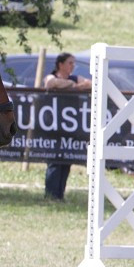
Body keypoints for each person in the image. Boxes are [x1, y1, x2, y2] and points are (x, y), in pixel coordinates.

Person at [42, 52, 90, 201]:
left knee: (66, 162)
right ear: (60, 64)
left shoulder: (74, 78)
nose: (72, 66)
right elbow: (51, 83)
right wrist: (73, 86)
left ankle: (60, 195)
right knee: (55, 162)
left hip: (70, 126)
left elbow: (90, 84)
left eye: (73, 63)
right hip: (53, 126)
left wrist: (73, 85)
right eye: (70, 63)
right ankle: (51, 195)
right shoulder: (52, 76)